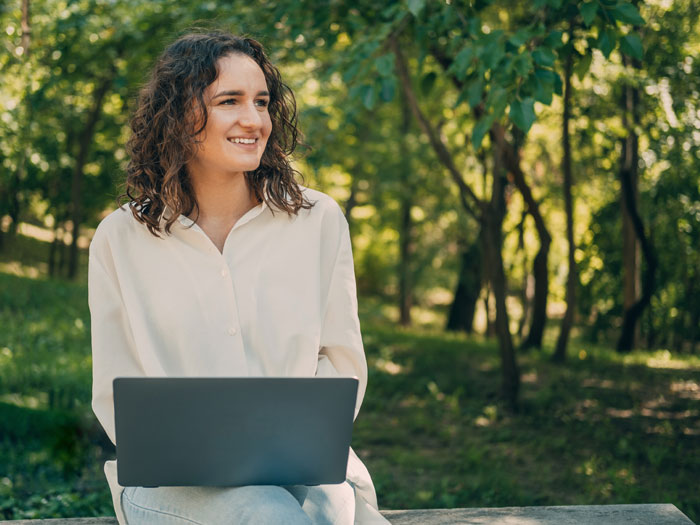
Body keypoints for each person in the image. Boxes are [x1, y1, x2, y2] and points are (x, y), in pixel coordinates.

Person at [88, 30, 389, 524]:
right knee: (266, 512)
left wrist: (293, 444)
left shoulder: (318, 220)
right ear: (179, 116)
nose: (254, 120)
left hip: (304, 475)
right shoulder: (120, 238)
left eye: (262, 102)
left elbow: (341, 361)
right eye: (229, 101)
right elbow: (116, 390)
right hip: (173, 486)